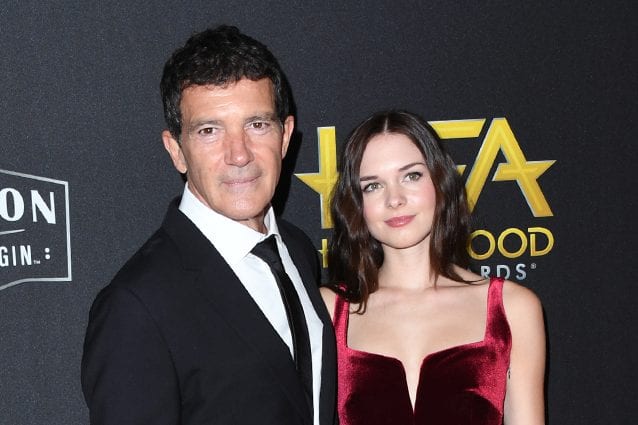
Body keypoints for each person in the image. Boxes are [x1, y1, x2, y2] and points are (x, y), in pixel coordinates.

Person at [81, 25, 336, 425]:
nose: (239, 154)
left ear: (285, 136)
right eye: (209, 131)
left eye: (257, 125)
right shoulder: (136, 306)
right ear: (177, 151)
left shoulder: (297, 249)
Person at [320, 110, 546, 425]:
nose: (395, 199)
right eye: (372, 186)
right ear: (356, 203)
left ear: (440, 182)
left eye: (411, 176)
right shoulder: (328, 310)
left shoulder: (512, 308)